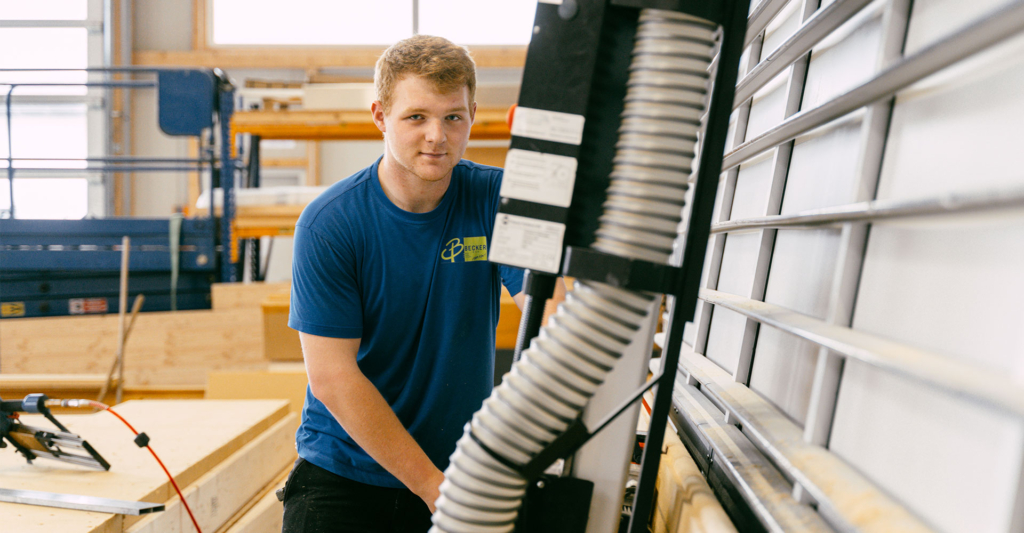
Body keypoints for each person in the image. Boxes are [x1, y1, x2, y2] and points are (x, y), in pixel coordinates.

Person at [280, 35, 527, 533]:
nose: (437, 135)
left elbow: (553, 316)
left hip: (458, 471)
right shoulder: (330, 224)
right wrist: (433, 486)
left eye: (453, 117)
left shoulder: (496, 198)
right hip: (345, 475)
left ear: (473, 116)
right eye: (417, 117)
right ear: (380, 116)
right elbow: (333, 378)